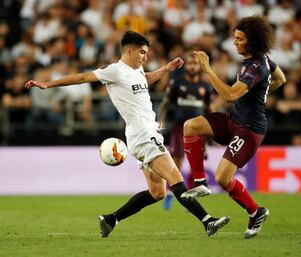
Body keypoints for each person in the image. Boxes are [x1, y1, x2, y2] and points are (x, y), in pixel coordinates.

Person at [25, 31, 230, 238]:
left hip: (146, 133)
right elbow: (82, 77)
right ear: (129, 51)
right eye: (142, 52)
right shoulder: (114, 71)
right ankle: (208, 221)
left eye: (147, 53)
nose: (145, 57)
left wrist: (166, 68)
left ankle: (110, 219)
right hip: (142, 134)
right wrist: (48, 84)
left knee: (157, 193)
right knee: (175, 177)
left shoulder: (137, 69)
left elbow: (145, 79)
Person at [181, 16, 286, 239]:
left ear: (252, 42)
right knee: (191, 126)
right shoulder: (264, 61)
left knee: (223, 178)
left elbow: (229, 94)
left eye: (240, 39)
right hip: (235, 119)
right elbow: (281, 79)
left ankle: (256, 212)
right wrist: (262, 94)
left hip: (249, 129)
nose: (235, 42)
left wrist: (208, 70)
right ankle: (199, 182)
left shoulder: (256, 67)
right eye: (235, 37)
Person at [158, 51, 214, 210]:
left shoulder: (205, 86)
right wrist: (160, 121)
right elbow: (166, 103)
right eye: (190, 63)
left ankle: (190, 197)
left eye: (195, 64)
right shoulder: (176, 82)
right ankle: (170, 194)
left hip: (199, 129)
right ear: (186, 65)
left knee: (195, 164)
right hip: (179, 128)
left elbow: (210, 109)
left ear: (199, 67)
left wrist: (212, 132)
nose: (192, 66)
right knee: (177, 161)